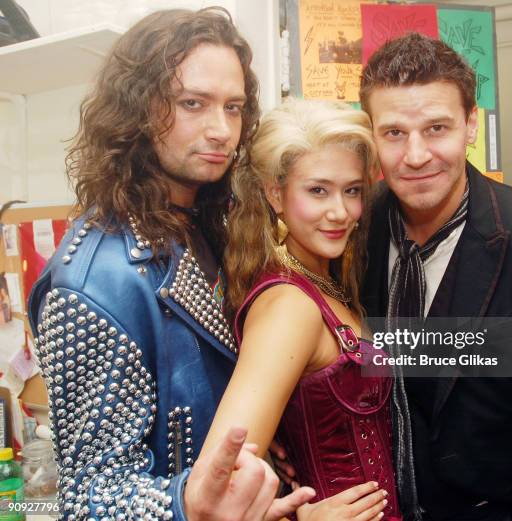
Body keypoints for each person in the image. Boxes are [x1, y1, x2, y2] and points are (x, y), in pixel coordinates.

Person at [28, 8, 314, 521]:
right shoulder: (93, 283)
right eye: (192, 104)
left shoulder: (209, 225)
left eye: (233, 107)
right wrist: (188, 501)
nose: (221, 129)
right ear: (136, 110)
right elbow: (87, 499)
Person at [358, 32, 512, 521]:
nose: (415, 156)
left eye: (437, 128)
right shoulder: (350, 232)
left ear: (471, 125)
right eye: (393, 133)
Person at [202, 97, 400, 520]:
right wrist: (298, 518)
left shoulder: (323, 282)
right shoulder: (288, 306)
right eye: (317, 190)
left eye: (352, 191)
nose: (340, 212)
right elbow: (218, 489)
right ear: (276, 194)